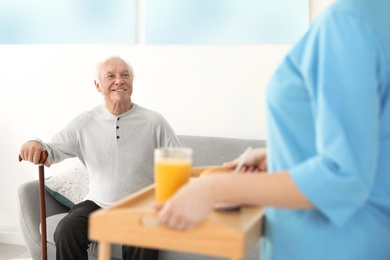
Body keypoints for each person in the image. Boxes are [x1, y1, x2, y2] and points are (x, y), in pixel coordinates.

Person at [155, 0, 390, 259]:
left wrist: (214, 189)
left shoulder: (345, 22)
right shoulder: (376, 14)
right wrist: (278, 156)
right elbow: (370, 141)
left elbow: (342, 177)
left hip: (326, 245)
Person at [19, 56, 181, 260]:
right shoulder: (85, 122)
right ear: (98, 85)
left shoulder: (155, 122)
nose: (119, 81)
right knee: (66, 230)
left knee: (142, 236)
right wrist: (33, 143)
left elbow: (178, 164)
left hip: (141, 207)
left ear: (132, 82)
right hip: (97, 204)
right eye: (110, 76)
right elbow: (50, 149)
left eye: (125, 75)